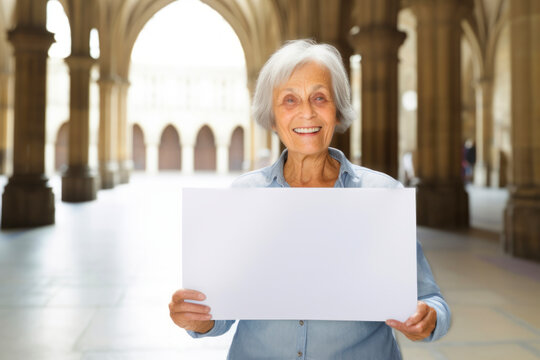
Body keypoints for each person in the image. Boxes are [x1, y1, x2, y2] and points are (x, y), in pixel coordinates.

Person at [169, 39, 450, 359]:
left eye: (320, 97)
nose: (307, 112)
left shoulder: (382, 197)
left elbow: (432, 301)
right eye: (290, 100)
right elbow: (220, 313)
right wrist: (198, 319)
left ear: (337, 110)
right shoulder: (243, 199)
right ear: (272, 117)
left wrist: (428, 319)